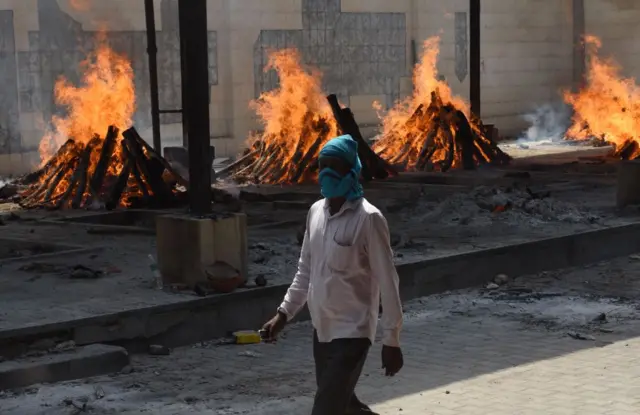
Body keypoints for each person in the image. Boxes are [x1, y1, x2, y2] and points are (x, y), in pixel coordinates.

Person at [261, 134, 404, 415]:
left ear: (352, 171)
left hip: (353, 332)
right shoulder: (315, 212)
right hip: (322, 330)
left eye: (333, 167)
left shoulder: (369, 219)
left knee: (326, 409)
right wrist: (283, 314)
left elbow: (389, 283)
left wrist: (392, 341)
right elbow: (305, 271)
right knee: (343, 404)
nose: (325, 174)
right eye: (321, 167)